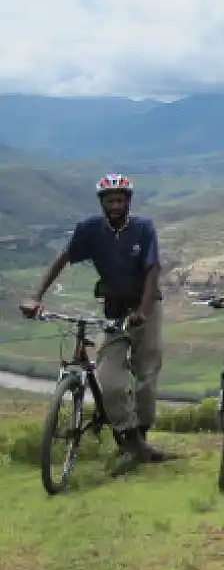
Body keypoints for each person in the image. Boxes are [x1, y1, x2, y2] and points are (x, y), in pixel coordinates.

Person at [21, 173, 168, 471]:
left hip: (145, 308)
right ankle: (130, 441)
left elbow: (153, 271)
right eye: (109, 200)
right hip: (113, 310)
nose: (115, 205)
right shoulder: (89, 230)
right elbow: (61, 259)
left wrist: (142, 311)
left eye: (120, 199)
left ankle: (140, 436)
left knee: (146, 376)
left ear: (128, 201)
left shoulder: (143, 229)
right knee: (110, 379)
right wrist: (35, 296)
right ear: (101, 202)